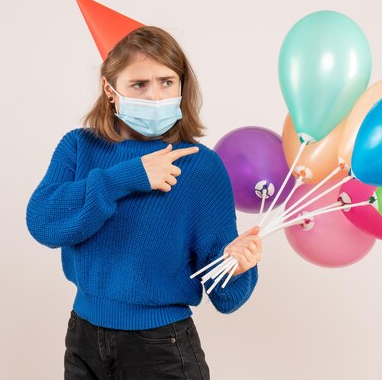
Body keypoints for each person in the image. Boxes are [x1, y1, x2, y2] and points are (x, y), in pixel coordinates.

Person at [25, 25, 261, 380]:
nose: (155, 96)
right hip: (83, 339)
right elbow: (42, 222)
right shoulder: (78, 147)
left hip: (161, 348)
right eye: (139, 85)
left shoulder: (201, 166)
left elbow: (224, 297)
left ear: (182, 84)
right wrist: (126, 177)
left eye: (167, 81)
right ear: (110, 89)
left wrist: (239, 267)